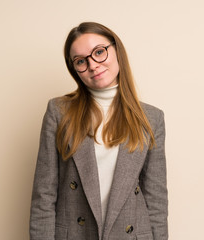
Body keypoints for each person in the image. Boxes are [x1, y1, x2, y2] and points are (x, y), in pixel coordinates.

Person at [29, 22, 168, 240]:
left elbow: (156, 199)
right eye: (81, 61)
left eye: (99, 52)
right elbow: (43, 196)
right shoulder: (59, 112)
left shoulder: (151, 118)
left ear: (116, 50)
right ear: (74, 69)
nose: (93, 65)